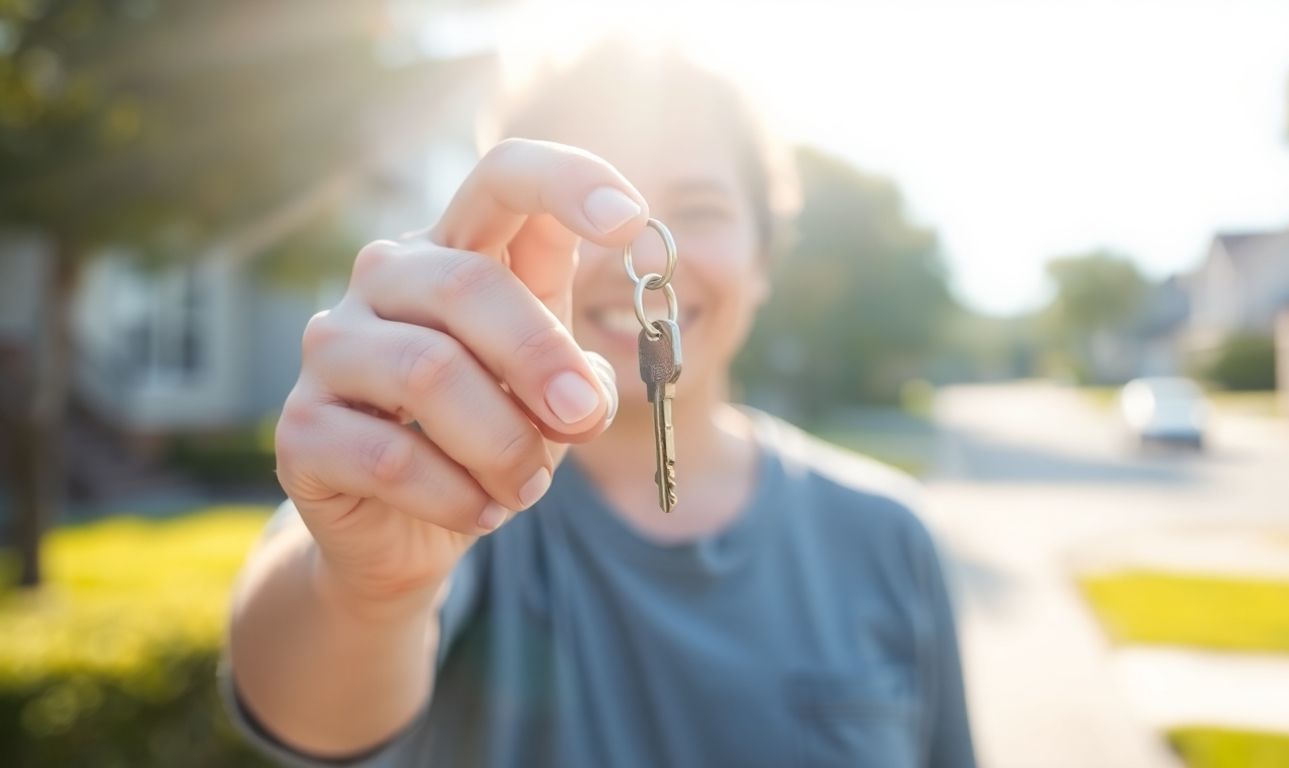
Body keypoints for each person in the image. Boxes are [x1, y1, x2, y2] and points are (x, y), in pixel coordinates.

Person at [219, 42, 977, 768]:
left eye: (700, 208)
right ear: (512, 241)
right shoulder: (441, 479)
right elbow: (301, 710)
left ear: (763, 257)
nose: (639, 256)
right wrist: (371, 593)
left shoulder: (888, 536)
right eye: (584, 212)